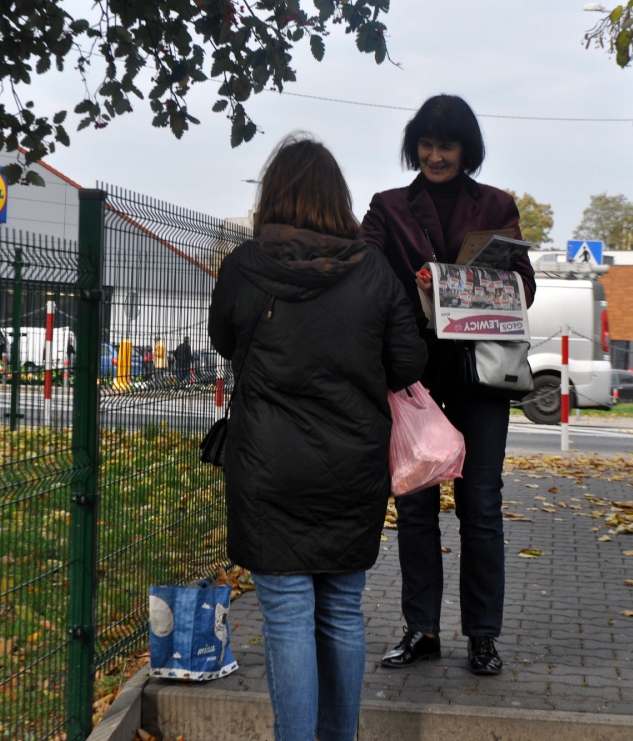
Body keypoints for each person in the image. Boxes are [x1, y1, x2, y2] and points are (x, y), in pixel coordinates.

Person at [208, 133, 426, 741]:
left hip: (267, 467)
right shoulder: (374, 270)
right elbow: (408, 363)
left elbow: (225, 340)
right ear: (338, 198)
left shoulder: (245, 265)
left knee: (286, 618)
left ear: (273, 195)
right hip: (353, 467)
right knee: (342, 613)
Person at [361, 94, 536, 676]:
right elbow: (364, 274)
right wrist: (411, 291)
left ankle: (483, 635)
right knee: (415, 506)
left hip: (480, 377)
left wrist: (465, 286)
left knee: (481, 506)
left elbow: (524, 288)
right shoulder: (387, 208)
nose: (435, 156)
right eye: (427, 144)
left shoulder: (497, 205)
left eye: (448, 145)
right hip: (413, 379)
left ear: (467, 149)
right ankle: (422, 630)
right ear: (415, 146)